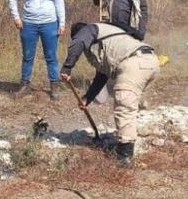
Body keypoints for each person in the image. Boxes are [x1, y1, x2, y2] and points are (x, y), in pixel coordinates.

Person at [60, 22, 159, 165]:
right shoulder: (107, 39)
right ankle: (139, 137)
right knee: (132, 107)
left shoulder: (88, 30)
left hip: (134, 63)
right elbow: (102, 76)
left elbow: (79, 41)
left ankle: (125, 157)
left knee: (124, 108)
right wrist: (87, 98)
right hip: (151, 62)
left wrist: (67, 68)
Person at [8, 0, 66, 101]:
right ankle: (25, 85)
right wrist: (16, 17)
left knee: (51, 56)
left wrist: (62, 23)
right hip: (28, 23)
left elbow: (59, 1)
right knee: (28, 56)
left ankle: (54, 86)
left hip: (50, 23)